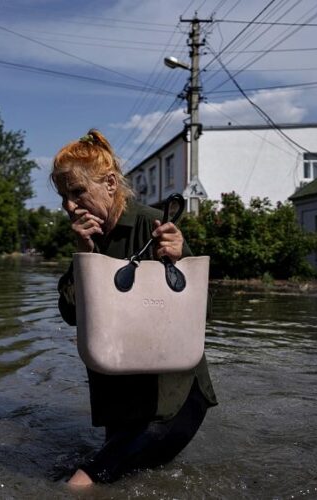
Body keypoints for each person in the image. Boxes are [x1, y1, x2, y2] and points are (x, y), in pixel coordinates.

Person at [51, 129, 218, 486]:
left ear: (110, 183)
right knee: (124, 481)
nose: (69, 205)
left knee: (81, 483)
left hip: (170, 401)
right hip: (121, 402)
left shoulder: (151, 223)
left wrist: (178, 258)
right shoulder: (90, 237)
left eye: (77, 192)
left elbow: (202, 314)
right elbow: (70, 315)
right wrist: (84, 253)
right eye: (63, 196)